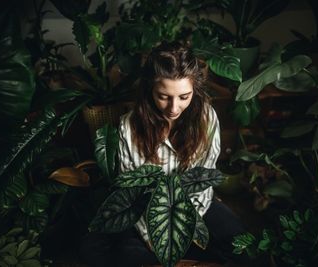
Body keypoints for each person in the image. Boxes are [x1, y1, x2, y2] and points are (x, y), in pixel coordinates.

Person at [80, 41, 247, 267]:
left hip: (193, 207)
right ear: (150, 89)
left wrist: (180, 231)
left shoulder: (206, 118)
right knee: (105, 251)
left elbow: (202, 183)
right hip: (146, 215)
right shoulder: (128, 127)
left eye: (184, 97)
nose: (173, 108)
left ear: (194, 90)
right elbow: (133, 191)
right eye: (164, 96)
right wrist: (154, 237)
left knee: (243, 244)